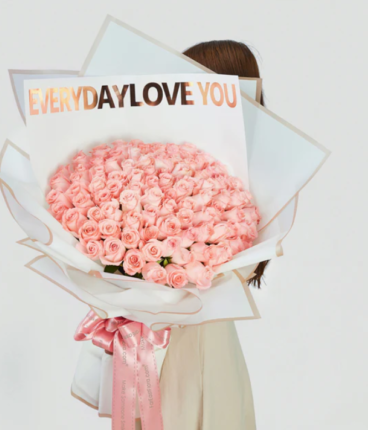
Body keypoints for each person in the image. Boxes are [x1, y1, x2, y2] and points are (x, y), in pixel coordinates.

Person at [156, 41, 267, 430]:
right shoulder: (166, 166)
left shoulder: (253, 182)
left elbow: (242, 269)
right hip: (163, 352)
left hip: (202, 355)